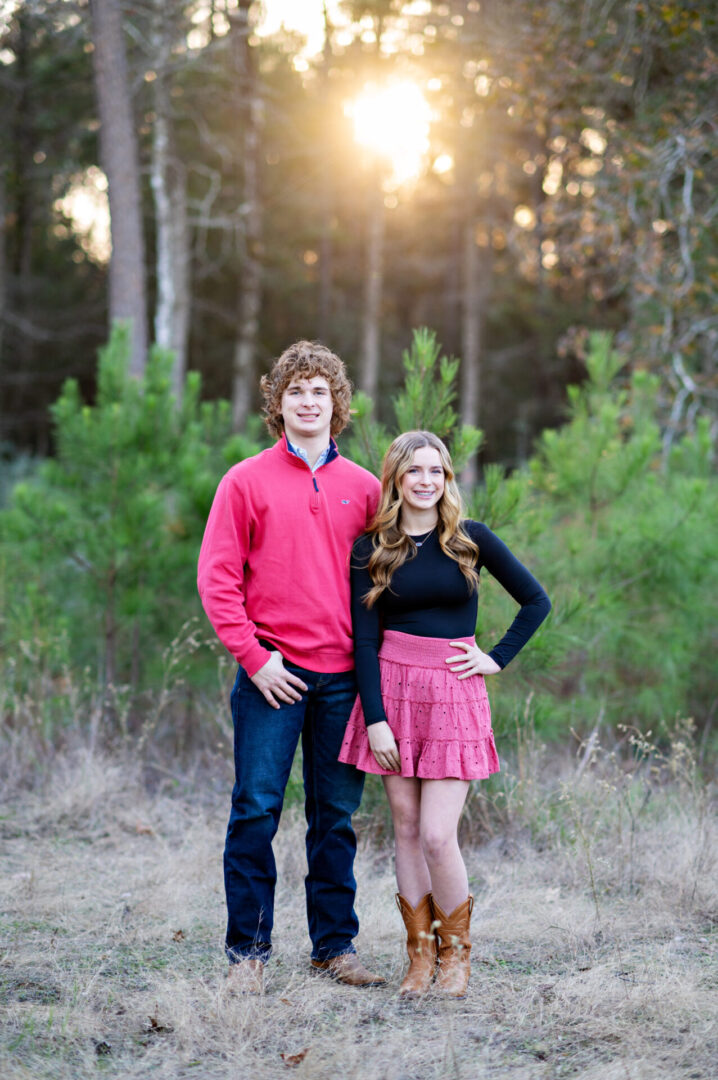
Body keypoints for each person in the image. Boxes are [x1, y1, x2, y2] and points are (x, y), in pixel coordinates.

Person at [197, 341, 385, 995]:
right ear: (277, 403)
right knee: (255, 810)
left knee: (334, 817)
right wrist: (254, 659)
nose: (309, 401)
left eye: (320, 391)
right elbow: (218, 580)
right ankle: (247, 954)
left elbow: (388, 585)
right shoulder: (244, 481)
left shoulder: (365, 489)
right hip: (271, 677)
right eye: (297, 390)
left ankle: (334, 947)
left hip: (343, 681)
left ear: (339, 405)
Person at [338, 430, 551, 999]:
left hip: (454, 693)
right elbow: (363, 642)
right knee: (405, 830)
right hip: (392, 692)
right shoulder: (371, 549)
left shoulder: (470, 540)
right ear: (397, 480)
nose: (427, 481)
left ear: (447, 479)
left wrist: (495, 658)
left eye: (437, 471)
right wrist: (376, 719)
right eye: (415, 472)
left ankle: (457, 955)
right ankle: (419, 957)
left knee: (437, 833)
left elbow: (537, 601)